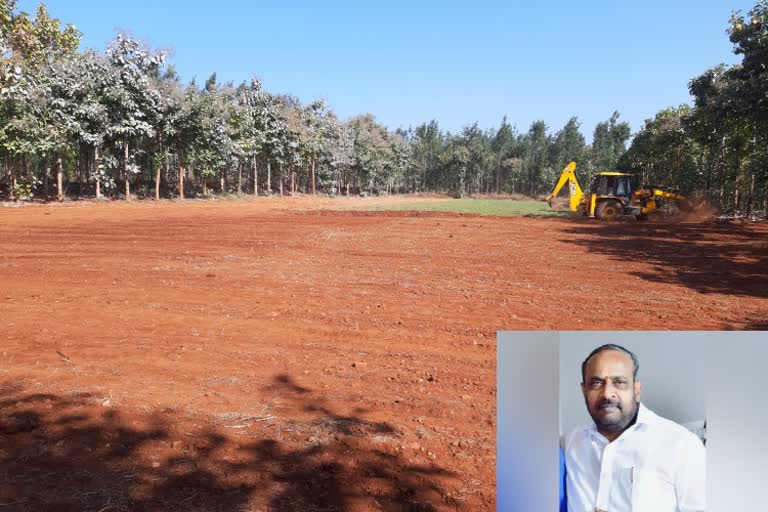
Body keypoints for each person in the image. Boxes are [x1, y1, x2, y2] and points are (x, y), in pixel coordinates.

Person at [562, 344, 705, 512]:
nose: (607, 393)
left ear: (637, 390)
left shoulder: (681, 444)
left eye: (619, 382)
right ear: (583, 390)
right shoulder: (572, 443)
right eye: (596, 383)